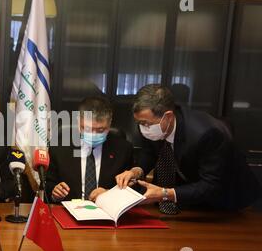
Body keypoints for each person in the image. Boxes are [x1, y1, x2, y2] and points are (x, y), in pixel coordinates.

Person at [115, 84, 262, 213]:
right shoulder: (150, 124)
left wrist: (165, 193)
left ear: (168, 116)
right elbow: (149, 152)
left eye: (146, 124)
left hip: (224, 204)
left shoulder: (206, 133)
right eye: (139, 123)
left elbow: (210, 185)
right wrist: (136, 171)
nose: (143, 128)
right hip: (184, 199)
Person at [46, 96, 134, 202]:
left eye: (100, 130)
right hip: (68, 212)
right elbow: (48, 185)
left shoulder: (123, 149)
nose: (93, 135)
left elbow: (132, 188)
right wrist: (55, 192)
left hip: (106, 212)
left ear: (109, 123)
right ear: (78, 121)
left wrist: (111, 194)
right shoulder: (58, 148)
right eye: (87, 129)